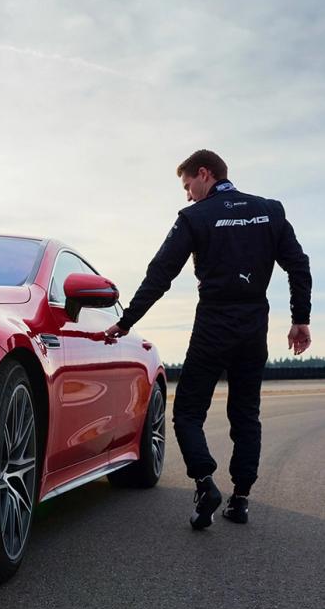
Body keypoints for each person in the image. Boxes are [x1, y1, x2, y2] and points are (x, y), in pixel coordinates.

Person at [104, 149, 312, 529]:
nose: (187, 195)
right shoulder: (270, 210)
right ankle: (241, 498)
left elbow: (160, 273)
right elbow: (299, 264)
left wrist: (127, 321)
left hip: (214, 324)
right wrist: (301, 318)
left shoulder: (195, 217)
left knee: (187, 411)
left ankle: (205, 483)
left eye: (188, 186)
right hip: (253, 325)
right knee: (246, 414)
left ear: (204, 174)